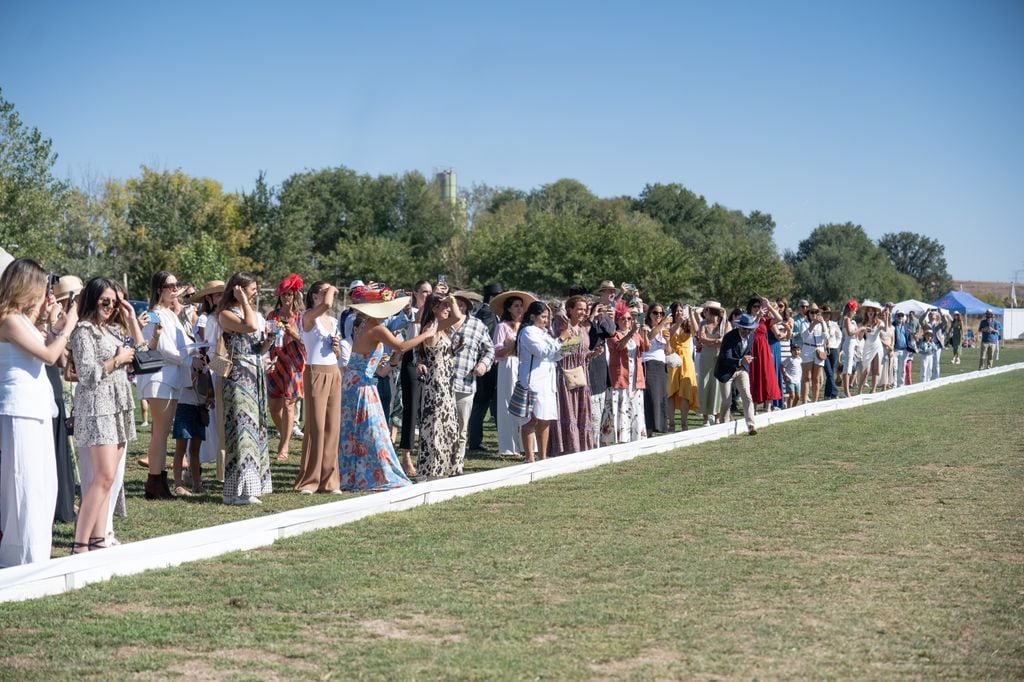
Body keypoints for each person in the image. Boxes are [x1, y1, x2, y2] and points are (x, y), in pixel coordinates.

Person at [0, 258, 77, 566]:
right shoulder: (8, 319)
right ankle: (22, 555)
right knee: (24, 483)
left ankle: (34, 552)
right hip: (18, 407)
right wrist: (68, 326)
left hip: (36, 407)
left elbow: (51, 349)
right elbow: (48, 355)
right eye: (43, 285)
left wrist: (50, 321)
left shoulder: (23, 320)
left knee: (43, 482)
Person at [69, 278, 145, 551]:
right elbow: (87, 375)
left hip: (118, 406)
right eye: (105, 302)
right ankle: (80, 543)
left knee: (110, 478)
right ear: (92, 299)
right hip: (97, 407)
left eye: (114, 303)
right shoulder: (83, 332)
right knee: (101, 477)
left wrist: (132, 317)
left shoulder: (112, 330)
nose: (110, 307)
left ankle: (99, 538)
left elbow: (144, 352)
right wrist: (117, 360)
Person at [339, 285, 435, 491]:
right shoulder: (376, 327)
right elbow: (400, 347)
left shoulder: (365, 324)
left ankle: (354, 472)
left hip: (356, 382)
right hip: (361, 385)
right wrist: (426, 335)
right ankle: (375, 473)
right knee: (373, 431)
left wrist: (390, 362)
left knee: (357, 431)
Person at [217, 272, 272, 505]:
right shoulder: (226, 314)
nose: (255, 292)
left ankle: (249, 486)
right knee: (242, 429)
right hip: (238, 377)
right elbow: (249, 326)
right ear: (238, 289)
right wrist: (245, 302)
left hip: (254, 375)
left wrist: (269, 341)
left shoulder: (251, 312)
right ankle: (238, 490)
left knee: (255, 429)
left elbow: (256, 345)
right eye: (252, 289)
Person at [137, 271, 191, 499]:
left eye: (176, 284)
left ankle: (157, 480)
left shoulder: (170, 314)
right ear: (159, 289)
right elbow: (159, 348)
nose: (175, 288)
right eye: (170, 285)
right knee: (160, 432)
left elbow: (185, 343)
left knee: (161, 432)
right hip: (159, 378)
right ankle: (155, 481)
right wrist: (188, 357)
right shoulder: (154, 314)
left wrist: (196, 349)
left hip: (169, 378)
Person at [294, 282, 342, 494]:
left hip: (333, 372)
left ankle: (330, 481)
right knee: (316, 428)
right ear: (314, 296)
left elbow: (336, 354)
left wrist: (337, 348)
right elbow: (328, 303)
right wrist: (331, 290)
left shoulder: (332, 320)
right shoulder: (307, 317)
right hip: (315, 372)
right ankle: (309, 481)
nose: (327, 295)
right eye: (323, 291)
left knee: (333, 427)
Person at [516, 300, 572, 461]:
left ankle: (543, 456)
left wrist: (567, 349)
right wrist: (560, 339)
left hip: (547, 381)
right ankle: (529, 457)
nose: (546, 321)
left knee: (545, 418)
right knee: (531, 419)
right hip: (532, 381)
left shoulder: (544, 333)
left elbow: (553, 355)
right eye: (543, 317)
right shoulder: (528, 332)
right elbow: (542, 351)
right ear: (533, 317)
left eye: (548, 317)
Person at [416, 292, 464, 478]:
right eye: (442, 306)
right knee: (435, 425)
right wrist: (451, 300)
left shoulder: (444, 329)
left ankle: (447, 466)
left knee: (449, 425)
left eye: (447, 306)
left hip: (446, 382)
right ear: (434, 308)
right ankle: (432, 467)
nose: (447, 309)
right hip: (436, 383)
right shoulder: (432, 326)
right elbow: (458, 316)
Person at [449, 291, 494, 468]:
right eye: (454, 304)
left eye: (461, 305)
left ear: (467, 307)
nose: (457, 308)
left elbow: (489, 350)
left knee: (461, 429)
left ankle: (457, 464)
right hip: (442, 384)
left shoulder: (477, 325)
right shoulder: (442, 323)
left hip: (465, 384)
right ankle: (443, 462)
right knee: (443, 427)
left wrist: (483, 364)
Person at [490, 290, 535, 457]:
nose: (519, 309)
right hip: (508, 364)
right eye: (516, 306)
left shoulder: (526, 327)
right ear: (508, 308)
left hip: (524, 364)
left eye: (521, 306)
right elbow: (496, 349)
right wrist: (509, 347)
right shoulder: (502, 327)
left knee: (526, 403)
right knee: (509, 403)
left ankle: (526, 444)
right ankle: (510, 446)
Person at [266, 274, 306, 462]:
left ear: (295, 295)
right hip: (276, 361)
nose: (286, 298)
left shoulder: (300, 317)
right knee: (274, 407)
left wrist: (294, 333)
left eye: (289, 294)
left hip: (294, 364)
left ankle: (284, 446)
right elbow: (266, 338)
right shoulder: (272, 316)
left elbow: (307, 342)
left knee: (288, 404)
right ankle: (285, 434)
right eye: (283, 294)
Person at [550, 295, 593, 455]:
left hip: (581, 373)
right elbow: (562, 351)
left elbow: (581, 352)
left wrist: (591, 354)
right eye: (579, 308)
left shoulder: (583, 329)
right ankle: (567, 446)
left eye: (584, 309)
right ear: (570, 310)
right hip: (566, 372)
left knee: (581, 410)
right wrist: (563, 308)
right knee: (568, 409)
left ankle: (581, 445)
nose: (583, 312)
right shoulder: (564, 325)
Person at [397, 280, 432, 475]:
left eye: (430, 292)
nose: (427, 295)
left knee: (427, 411)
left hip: (430, 362)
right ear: (416, 293)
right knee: (411, 409)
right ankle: (407, 456)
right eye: (424, 292)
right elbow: (413, 325)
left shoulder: (434, 313)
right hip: (411, 361)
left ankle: (426, 454)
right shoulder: (408, 313)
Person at [602, 300, 649, 444]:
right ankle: (618, 437)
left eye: (629, 318)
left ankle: (635, 436)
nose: (627, 321)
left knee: (635, 407)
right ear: (617, 320)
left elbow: (646, 348)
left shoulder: (636, 335)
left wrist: (644, 333)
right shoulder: (613, 335)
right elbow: (619, 346)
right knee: (620, 407)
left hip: (635, 377)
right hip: (620, 377)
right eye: (623, 319)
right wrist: (632, 332)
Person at [468, 283, 502, 451]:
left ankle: (475, 439)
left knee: (482, 404)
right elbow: (486, 342)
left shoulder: (489, 313)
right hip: (485, 367)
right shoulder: (487, 314)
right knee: (481, 403)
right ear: (492, 297)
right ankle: (474, 441)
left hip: (487, 367)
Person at [714, 312, 759, 435]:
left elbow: (747, 351)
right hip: (726, 370)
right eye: (744, 329)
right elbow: (725, 357)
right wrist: (740, 360)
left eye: (749, 330)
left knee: (747, 396)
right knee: (727, 401)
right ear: (739, 326)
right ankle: (723, 423)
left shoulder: (751, 336)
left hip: (741, 369)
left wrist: (746, 360)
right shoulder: (729, 337)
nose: (747, 332)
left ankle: (751, 425)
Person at [693, 301, 727, 427]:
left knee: (717, 384)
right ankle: (705, 418)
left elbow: (725, 339)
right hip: (706, 356)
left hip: (719, 356)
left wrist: (712, 342)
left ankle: (717, 416)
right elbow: (702, 339)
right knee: (704, 383)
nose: (705, 312)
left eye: (707, 310)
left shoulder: (723, 324)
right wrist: (716, 341)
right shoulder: (703, 323)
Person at [746, 297, 783, 408]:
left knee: (768, 377)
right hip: (752, 349)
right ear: (750, 308)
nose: (757, 308)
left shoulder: (764, 320)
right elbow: (750, 331)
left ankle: (768, 407)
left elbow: (779, 318)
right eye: (755, 306)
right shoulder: (747, 318)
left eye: (759, 306)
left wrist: (769, 305)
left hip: (764, 350)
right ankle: (754, 409)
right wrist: (757, 317)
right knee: (754, 377)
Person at [641, 303, 671, 434]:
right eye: (656, 313)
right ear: (649, 314)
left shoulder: (663, 330)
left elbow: (668, 351)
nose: (659, 316)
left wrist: (668, 341)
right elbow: (649, 338)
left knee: (661, 397)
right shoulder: (645, 327)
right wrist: (663, 323)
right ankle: (648, 429)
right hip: (649, 363)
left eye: (661, 313)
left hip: (661, 364)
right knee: (651, 397)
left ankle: (660, 427)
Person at [799, 303, 828, 403]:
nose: (814, 314)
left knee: (816, 378)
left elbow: (826, 337)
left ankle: (815, 402)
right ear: (808, 313)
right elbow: (804, 336)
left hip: (819, 350)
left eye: (816, 312)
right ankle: (804, 402)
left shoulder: (822, 322)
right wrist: (813, 324)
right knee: (807, 377)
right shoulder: (804, 323)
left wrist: (823, 324)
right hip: (807, 348)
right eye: (812, 312)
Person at [856, 301, 887, 393]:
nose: (870, 312)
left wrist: (886, 318)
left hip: (877, 346)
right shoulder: (863, 323)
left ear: (875, 312)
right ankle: (859, 390)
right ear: (866, 312)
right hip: (867, 347)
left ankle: (873, 389)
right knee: (866, 369)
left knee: (876, 369)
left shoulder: (879, 322)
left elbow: (885, 329)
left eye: (872, 311)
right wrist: (863, 329)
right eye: (868, 311)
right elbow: (860, 337)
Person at [838, 300, 859, 397]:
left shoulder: (851, 321)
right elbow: (850, 333)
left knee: (850, 367)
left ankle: (847, 390)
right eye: (854, 310)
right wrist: (861, 329)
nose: (855, 312)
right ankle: (846, 391)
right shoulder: (846, 319)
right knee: (847, 367)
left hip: (852, 343)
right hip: (848, 343)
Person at [892, 311, 914, 387]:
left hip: (904, 350)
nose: (900, 317)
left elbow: (909, 338)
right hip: (895, 349)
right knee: (894, 368)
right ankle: (894, 384)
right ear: (896, 316)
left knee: (902, 369)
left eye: (902, 315)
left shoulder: (906, 326)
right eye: (899, 315)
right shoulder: (893, 325)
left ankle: (901, 384)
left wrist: (911, 348)